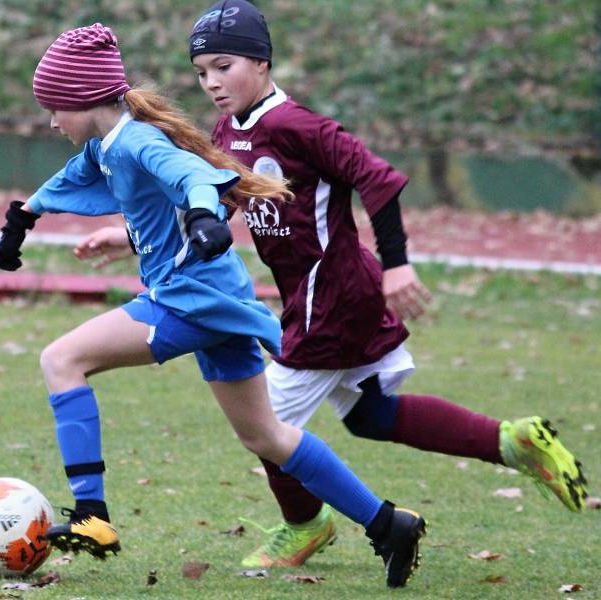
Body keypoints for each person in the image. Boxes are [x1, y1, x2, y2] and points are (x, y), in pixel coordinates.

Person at [76, 0, 589, 572]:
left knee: (265, 424)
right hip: (326, 295)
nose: (212, 83)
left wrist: (398, 265)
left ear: (262, 62)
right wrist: (127, 235)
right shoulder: (230, 128)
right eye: (202, 72)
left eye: (225, 66)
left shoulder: (298, 126)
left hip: (333, 298)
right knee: (369, 416)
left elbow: (380, 181)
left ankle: (305, 525)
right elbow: (219, 201)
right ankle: (512, 441)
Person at [0, 23, 426, 588]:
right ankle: (388, 523)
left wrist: (202, 216)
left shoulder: (140, 140)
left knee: (61, 360)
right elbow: (79, 174)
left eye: (54, 108)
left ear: (85, 98)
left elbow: (195, 175)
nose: (51, 122)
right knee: (265, 436)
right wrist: (27, 215)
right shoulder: (110, 143)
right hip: (215, 295)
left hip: (188, 298)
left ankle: (93, 514)